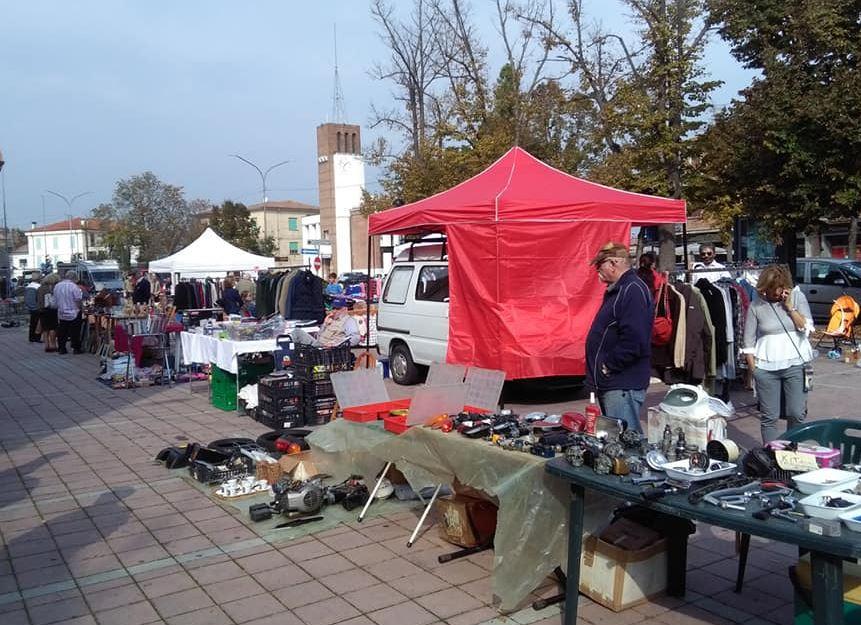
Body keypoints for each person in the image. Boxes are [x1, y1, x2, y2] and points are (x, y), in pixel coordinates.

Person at [585, 242, 654, 433]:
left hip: (622, 384)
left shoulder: (631, 290)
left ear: (614, 263)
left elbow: (635, 339)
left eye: (601, 266)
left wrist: (610, 366)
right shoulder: (620, 290)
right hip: (614, 383)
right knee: (616, 439)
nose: (598, 272)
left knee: (626, 441)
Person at [742, 264, 813, 443]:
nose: (775, 293)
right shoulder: (756, 306)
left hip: (796, 363)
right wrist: (754, 370)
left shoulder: (797, 297)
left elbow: (805, 327)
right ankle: (771, 456)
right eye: (770, 289)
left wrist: (789, 307)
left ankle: (794, 451)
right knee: (769, 416)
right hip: (765, 367)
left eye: (779, 288)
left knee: (796, 413)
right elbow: (748, 343)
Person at [292, 297, 360, 348]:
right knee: (295, 331)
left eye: (338, 309)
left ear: (345, 309)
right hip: (318, 345)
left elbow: (356, 338)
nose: (334, 311)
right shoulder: (331, 319)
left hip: (328, 350)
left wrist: (335, 344)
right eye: (333, 308)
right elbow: (319, 335)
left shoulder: (348, 321)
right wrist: (325, 324)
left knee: (297, 332)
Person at [54, 270, 84, 354]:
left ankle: (61, 348)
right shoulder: (74, 287)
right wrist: (81, 308)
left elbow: (55, 299)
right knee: (75, 331)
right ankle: (76, 348)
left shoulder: (57, 286)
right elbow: (78, 299)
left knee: (62, 331)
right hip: (73, 311)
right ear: (74, 278)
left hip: (61, 312)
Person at [37, 274, 60, 352]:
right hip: (52, 310)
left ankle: (46, 345)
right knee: (53, 328)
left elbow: (37, 299)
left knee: (45, 328)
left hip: (42, 310)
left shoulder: (40, 288)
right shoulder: (53, 288)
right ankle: (53, 345)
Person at [24, 272, 42, 342]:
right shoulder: (38, 287)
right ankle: (37, 337)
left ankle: (31, 337)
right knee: (38, 323)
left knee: (32, 323)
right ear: (39, 278)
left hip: (31, 307)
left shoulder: (28, 286)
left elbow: (27, 298)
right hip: (37, 307)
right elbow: (39, 298)